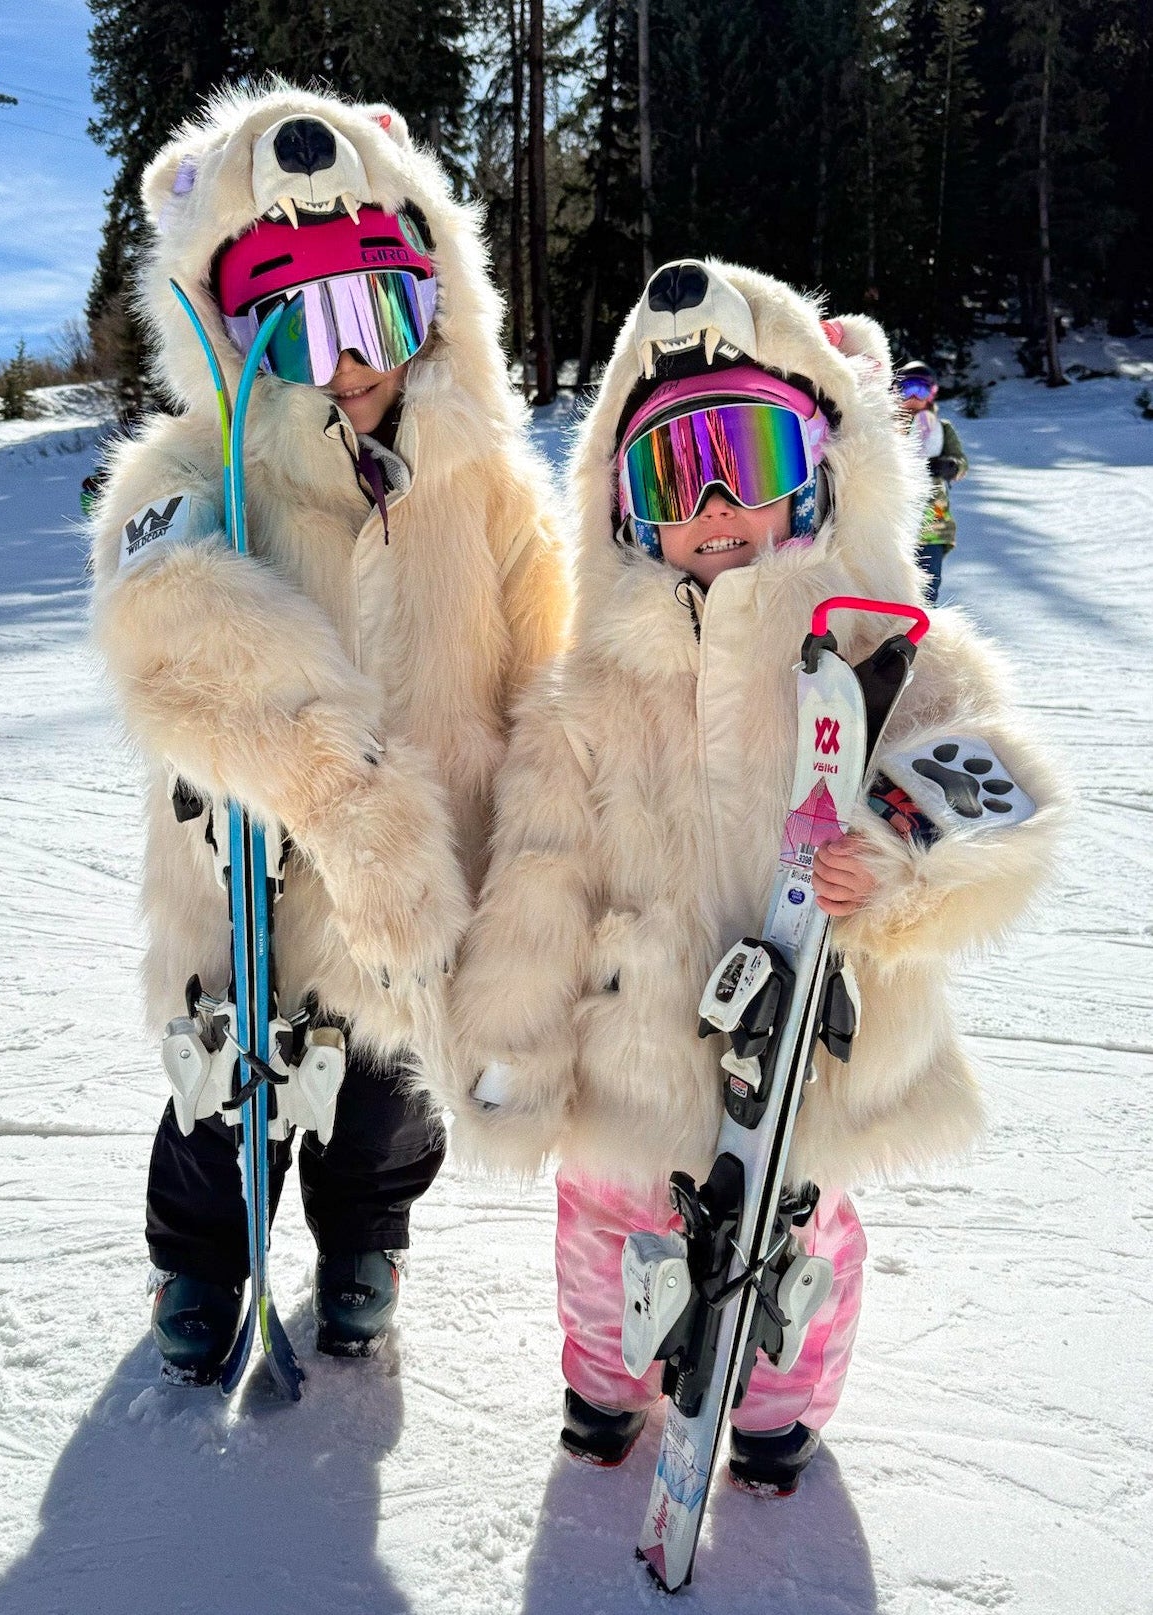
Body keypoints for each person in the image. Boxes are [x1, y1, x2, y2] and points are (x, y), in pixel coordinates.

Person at [434, 259, 1063, 1489]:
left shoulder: (889, 655)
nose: (715, 498)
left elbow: (991, 797)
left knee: (796, 1234)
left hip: (817, 1053)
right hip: (637, 1050)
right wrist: (511, 1034)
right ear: (625, 510)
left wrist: (890, 863)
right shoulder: (584, 698)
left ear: (822, 473)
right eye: (675, 470)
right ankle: (608, 1381)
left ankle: (776, 1404)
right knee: (609, 1227)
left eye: (751, 455)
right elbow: (540, 874)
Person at [88, 87, 566, 1381]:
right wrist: (342, 789)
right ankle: (197, 1256)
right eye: (300, 328)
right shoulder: (190, 475)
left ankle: (366, 1240)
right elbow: (165, 623)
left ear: (435, 307)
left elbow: (550, 658)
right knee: (216, 1096)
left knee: (382, 1103)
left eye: (382, 314)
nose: (351, 363)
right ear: (231, 335)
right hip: (243, 868)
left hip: (410, 903)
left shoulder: (483, 488)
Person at [899, 360, 968, 602]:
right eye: (908, 389)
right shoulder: (889, 425)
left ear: (932, 394)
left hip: (933, 525)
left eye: (921, 389)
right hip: (895, 522)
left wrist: (949, 466)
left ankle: (921, 635)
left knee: (927, 590)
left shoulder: (942, 429)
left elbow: (961, 464)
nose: (914, 397)